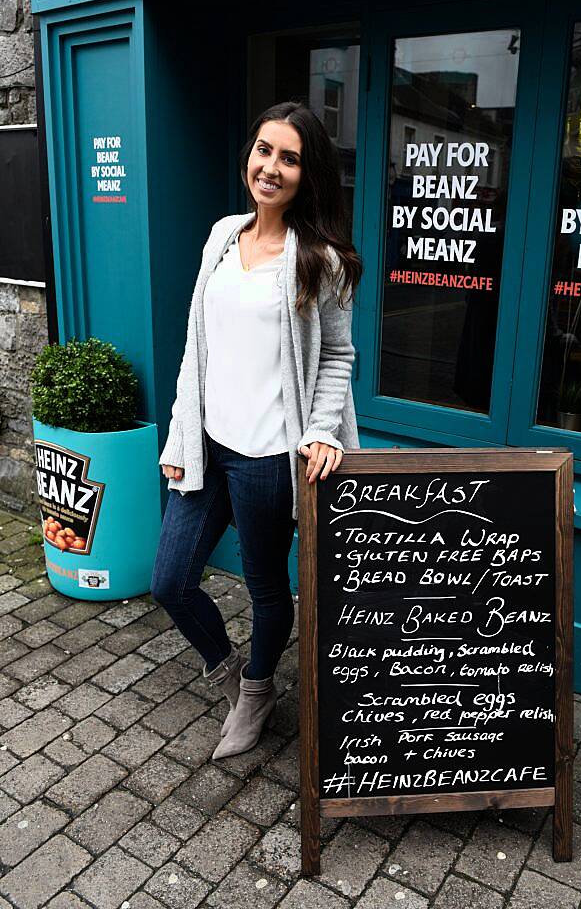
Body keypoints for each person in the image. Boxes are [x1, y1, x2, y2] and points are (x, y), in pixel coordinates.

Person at [151, 101, 362, 760]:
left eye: (289, 157)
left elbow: (337, 354)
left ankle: (259, 686)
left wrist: (324, 430)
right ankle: (229, 670)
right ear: (250, 154)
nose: (270, 167)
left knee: (267, 587)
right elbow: (197, 345)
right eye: (264, 150)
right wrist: (181, 436)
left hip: (270, 456)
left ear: (308, 173)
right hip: (210, 445)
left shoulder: (321, 260)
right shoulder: (220, 236)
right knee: (171, 581)